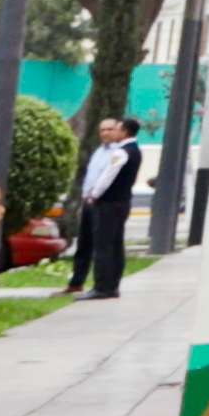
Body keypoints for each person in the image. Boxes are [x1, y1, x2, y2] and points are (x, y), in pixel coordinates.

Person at [68, 112, 142, 300]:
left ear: (124, 132)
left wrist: (94, 195)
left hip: (108, 204)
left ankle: (103, 287)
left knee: (104, 246)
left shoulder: (121, 152)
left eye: (116, 129)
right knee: (114, 245)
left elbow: (106, 178)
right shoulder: (134, 150)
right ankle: (111, 285)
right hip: (120, 203)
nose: (112, 133)